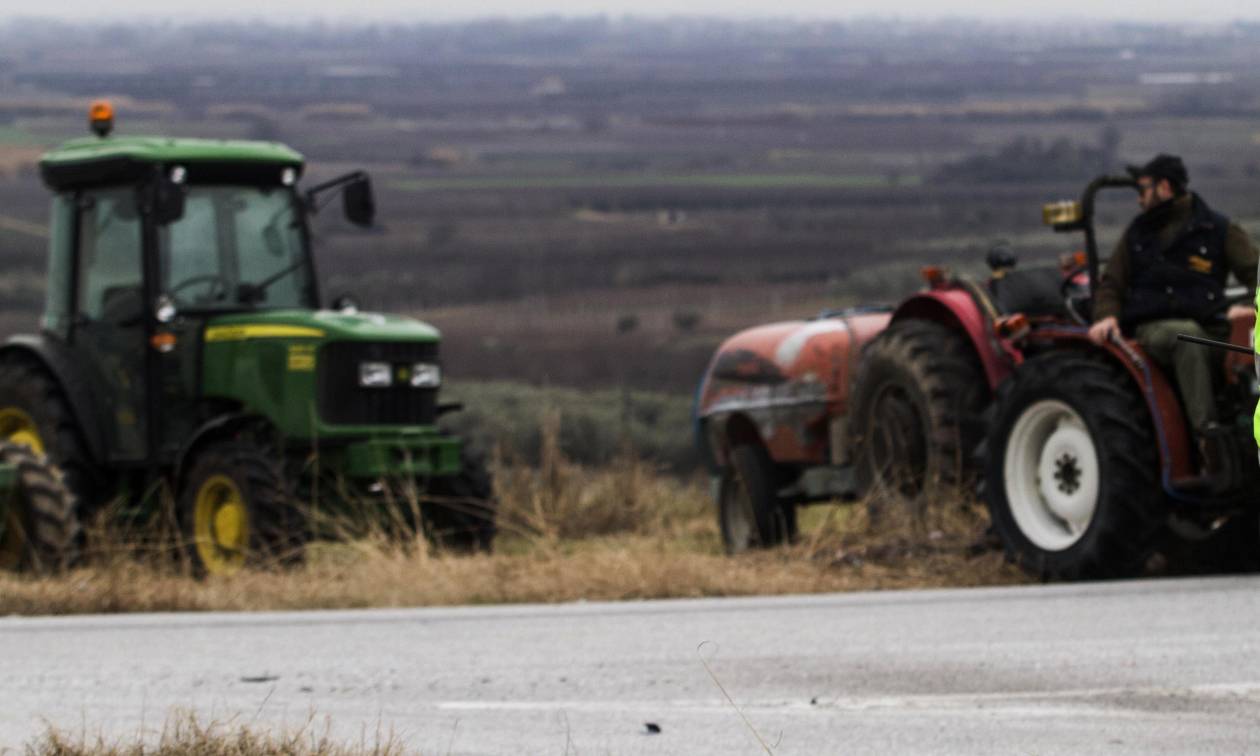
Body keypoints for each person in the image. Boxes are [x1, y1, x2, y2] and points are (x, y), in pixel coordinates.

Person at [1088, 154, 1258, 467]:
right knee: (1189, 338)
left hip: (1211, 319)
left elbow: (1255, 271)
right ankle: (1209, 442)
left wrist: (1248, 307)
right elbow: (1111, 283)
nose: (1140, 199)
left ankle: (1247, 433)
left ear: (1164, 187)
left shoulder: (1217, 228)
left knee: (1246, 343)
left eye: (1143, 190)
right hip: (1155, 326)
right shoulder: (1136, 235)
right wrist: (1106, 316)